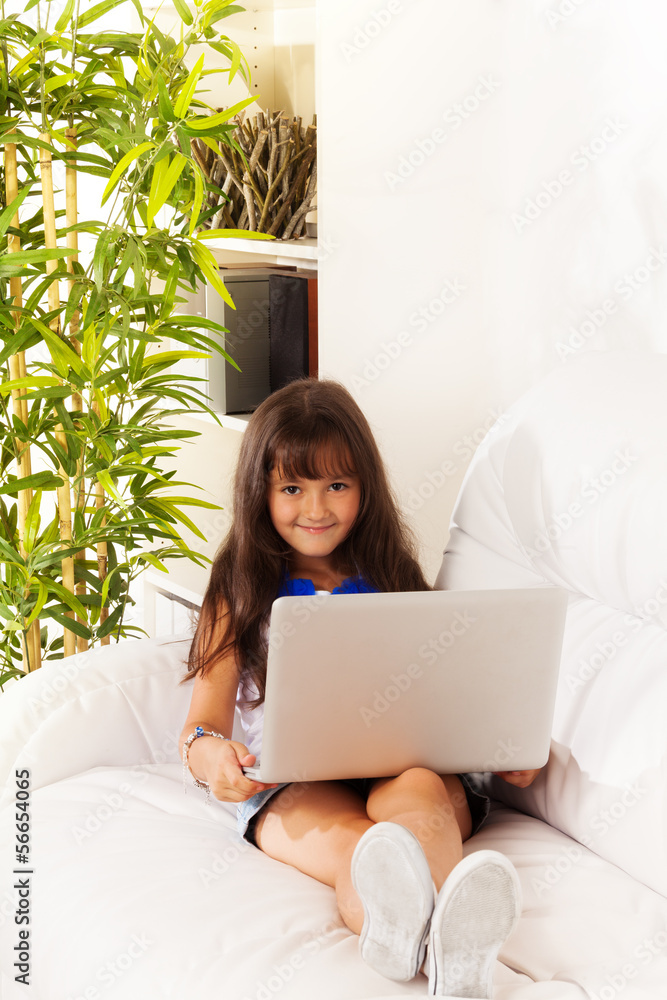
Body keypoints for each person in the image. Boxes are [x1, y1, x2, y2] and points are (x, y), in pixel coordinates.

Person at [179, 377, 540, 998]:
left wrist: (506, 744)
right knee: (369, 853)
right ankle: (424, 950)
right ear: (258, 491)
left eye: (336, 487)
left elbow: (446, 692)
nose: (316, 510)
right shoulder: (236, 588)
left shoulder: (391, 573)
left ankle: (452, 951)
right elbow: (200, 726)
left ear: (364, 489)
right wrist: (215, 758)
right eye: (292, 488)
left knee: (422, 801)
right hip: (294, 785)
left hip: (401, 765)